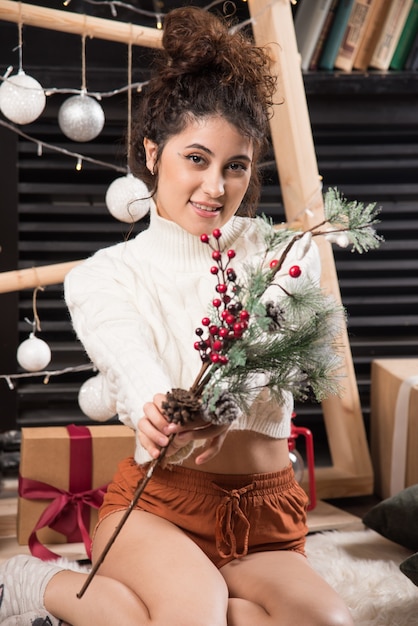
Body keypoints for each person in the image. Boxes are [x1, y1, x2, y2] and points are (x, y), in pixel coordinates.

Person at [1, 7, 354, 626]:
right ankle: (50, 588)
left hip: (263, 515)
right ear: (152, 152)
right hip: (157, 506)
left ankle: (91, 601)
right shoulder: (104, 276)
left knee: (330, 622)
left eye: (235, 166)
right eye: (196, 159)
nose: (215, 187)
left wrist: (219, 409)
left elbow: (261, 364)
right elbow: (131, 363)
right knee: (194, 614)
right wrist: (158, 410)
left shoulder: (288, 256)